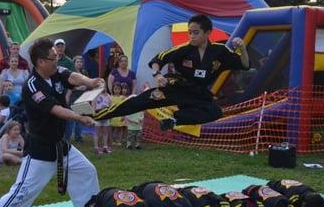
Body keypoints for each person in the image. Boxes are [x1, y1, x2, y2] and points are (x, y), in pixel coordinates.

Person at [0, 38, 103, 207]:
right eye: (53, 58)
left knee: (86, 171)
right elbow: (55, 109)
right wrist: (80, 117)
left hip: (61, 146)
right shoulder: (32, 87)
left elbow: (71, 76)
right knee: (23, 190)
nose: (57, 61)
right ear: (40, 62)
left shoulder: (55, 72)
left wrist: (90, 82)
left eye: (57, 57)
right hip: (40, 149)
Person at [94, 14, 249, 130]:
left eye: (196, 33)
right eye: (190, 32)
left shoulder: (220, 51)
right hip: (174, 88)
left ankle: (174, 121)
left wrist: (242, 48)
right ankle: (96, 115)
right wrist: (158, 74)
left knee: (215, 112)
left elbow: (244, 64)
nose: (192, 36)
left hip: (198, 95)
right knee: (137, 102)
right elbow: (157, 60)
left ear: (207, 33)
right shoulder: (184, 49)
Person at [65, 55, 87, 143]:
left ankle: (78, 137)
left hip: (82, 98)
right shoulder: (71, 74)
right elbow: (69, 86)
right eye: (77, 62)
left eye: (81, 62)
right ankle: (67, 137)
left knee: (81, 118)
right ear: (74, 63)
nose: (79, 63)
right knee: (71, 119)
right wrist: (78, 88)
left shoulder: (84, 73)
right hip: (73, 98)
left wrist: (84, 87)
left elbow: (87, 84)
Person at [93, 87, 112, 154]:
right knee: (97, 133)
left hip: (106, 117)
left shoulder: (108, 96)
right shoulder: (95, 95)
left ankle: (105, 147)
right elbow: (93, 106)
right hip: (98, 116)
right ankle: (96, 148)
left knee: (105, 133)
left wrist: (108, 112)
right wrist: (97, 111)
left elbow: (110, 106)